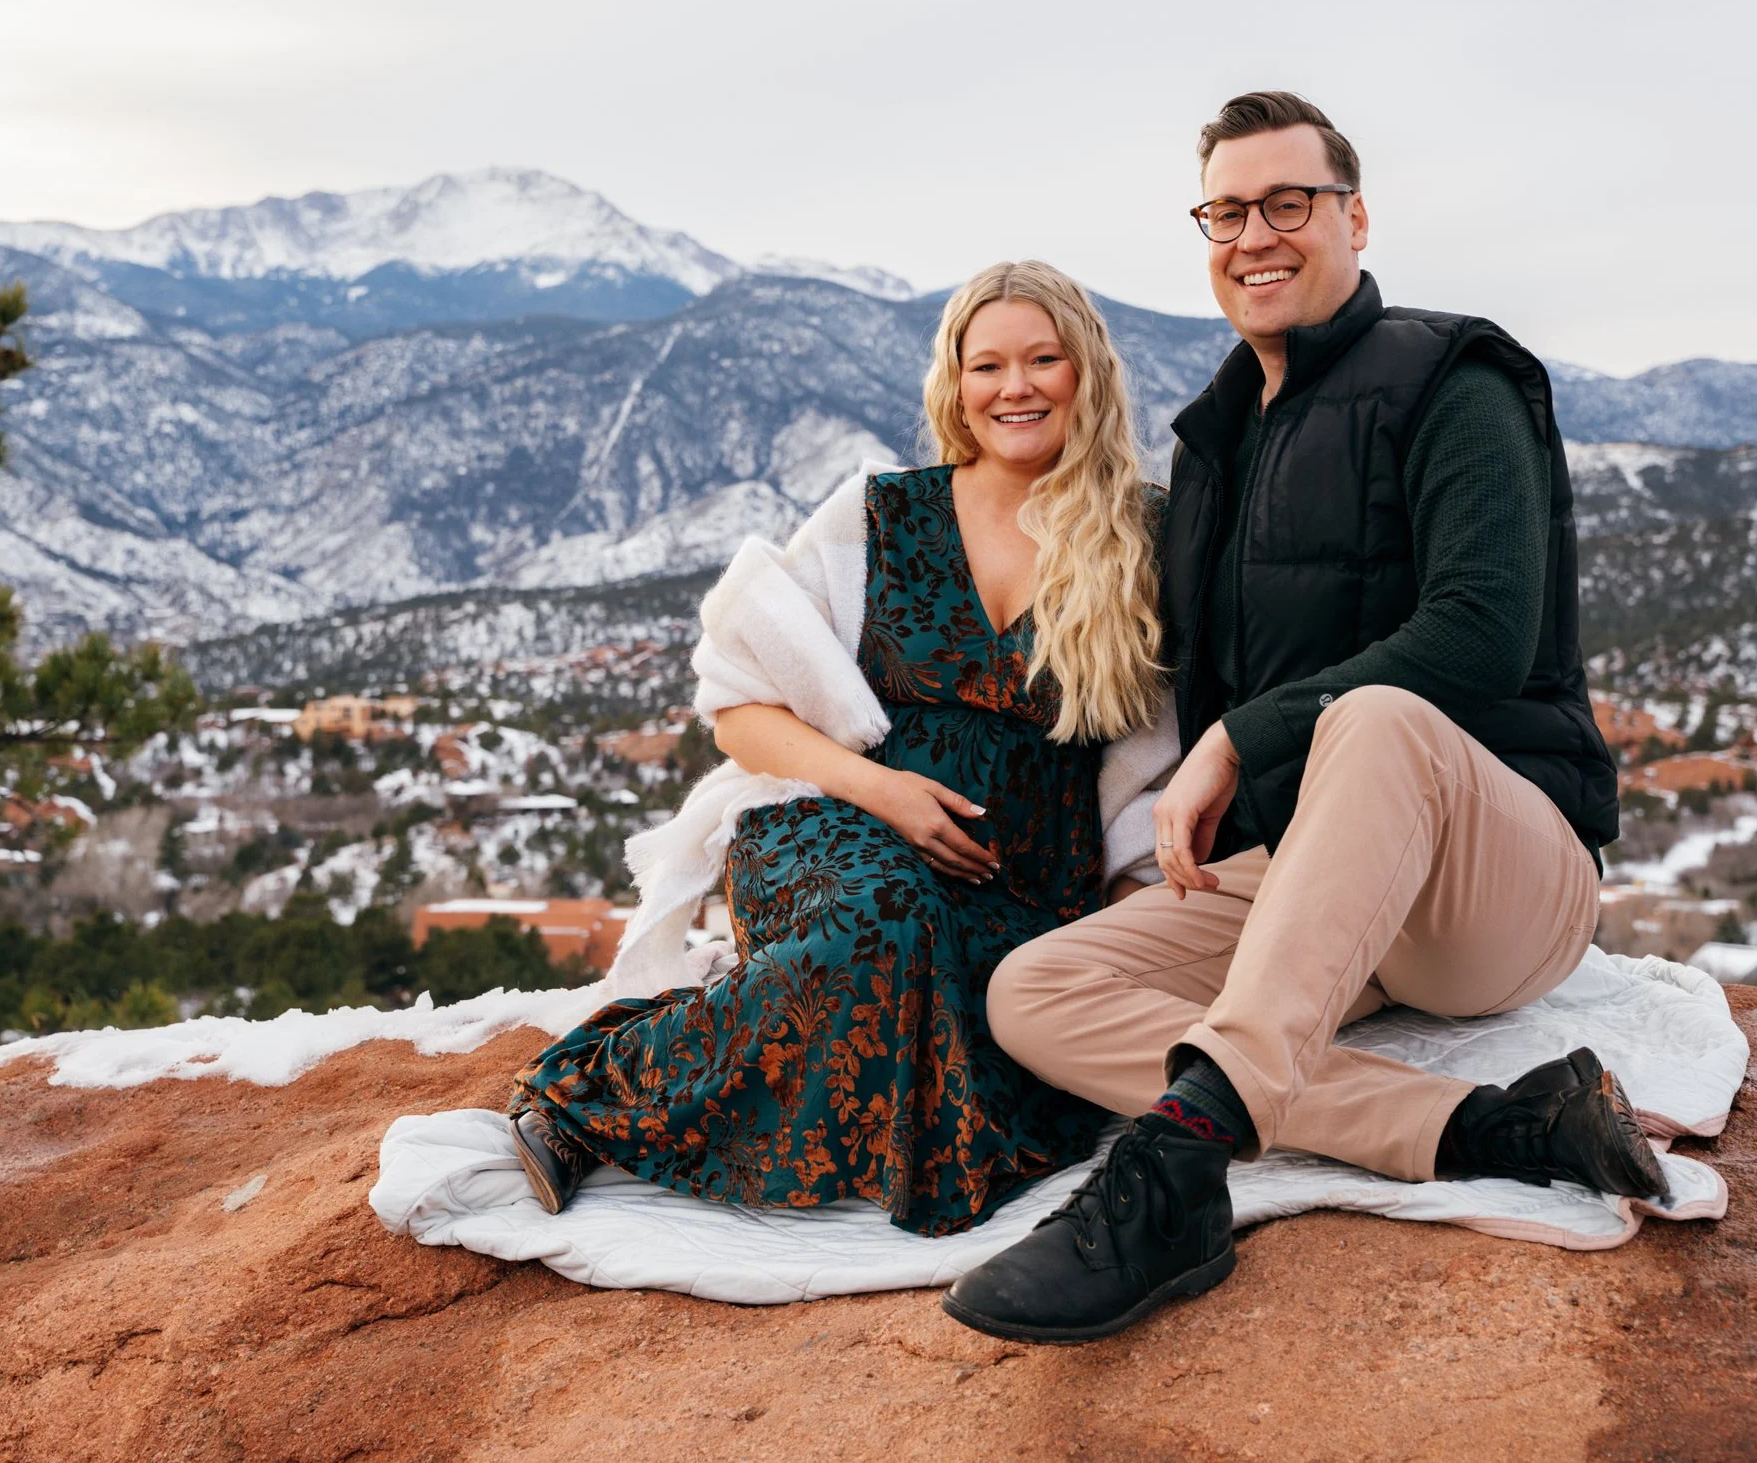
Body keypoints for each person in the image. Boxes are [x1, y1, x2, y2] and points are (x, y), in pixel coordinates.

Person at [942, 92, 1663, 1343]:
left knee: (1371, 716)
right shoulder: (1213, 444)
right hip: (1319, 885)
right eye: (1226, 210)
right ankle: (1491, 1126)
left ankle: (1176, 1167)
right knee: (1034, 990)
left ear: (1354, 216)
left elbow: (1484, 629)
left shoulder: (1455, 374)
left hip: (1491, 879)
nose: (1254, 235)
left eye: (1289, 202)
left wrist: (1240, 737)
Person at [506, 261, 1169, 1237]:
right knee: (888, 920)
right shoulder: (882, 515)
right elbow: (739, 708)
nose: (1014, 386)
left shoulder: (1140, 534)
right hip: (839, 827)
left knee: (971, 1011)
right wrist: (885, 790)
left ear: (1088, 372)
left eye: (1042, 359)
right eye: (987, 364)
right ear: (956, 383)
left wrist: (1131, 899)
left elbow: (1158, 752)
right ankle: (586, 1092)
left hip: (1030, 879)